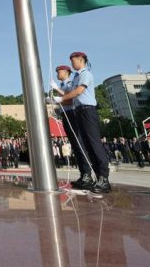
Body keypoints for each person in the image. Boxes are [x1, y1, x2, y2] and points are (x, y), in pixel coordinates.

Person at [49, 52, 110, 193]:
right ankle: (93, 177)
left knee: (94, 144)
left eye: (73, 61)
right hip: (79, 111)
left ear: (81, 60)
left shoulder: (85, 74)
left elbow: (78, 91)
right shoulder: (77, 77)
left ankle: (103, 178)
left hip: (87, 110)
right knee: (86, 145)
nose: (72, 64)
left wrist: (60, 99)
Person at [51, 64, 94, 189]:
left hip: (72, 114)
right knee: (75, 145)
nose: (57, 74)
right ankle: (83, 174)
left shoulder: (70, 83)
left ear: (66, 72)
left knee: (79, 144)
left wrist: (58, 95)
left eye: (59, 72)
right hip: (66, 114)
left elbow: (70, 99)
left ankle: (87, 174)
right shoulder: (64, 85)